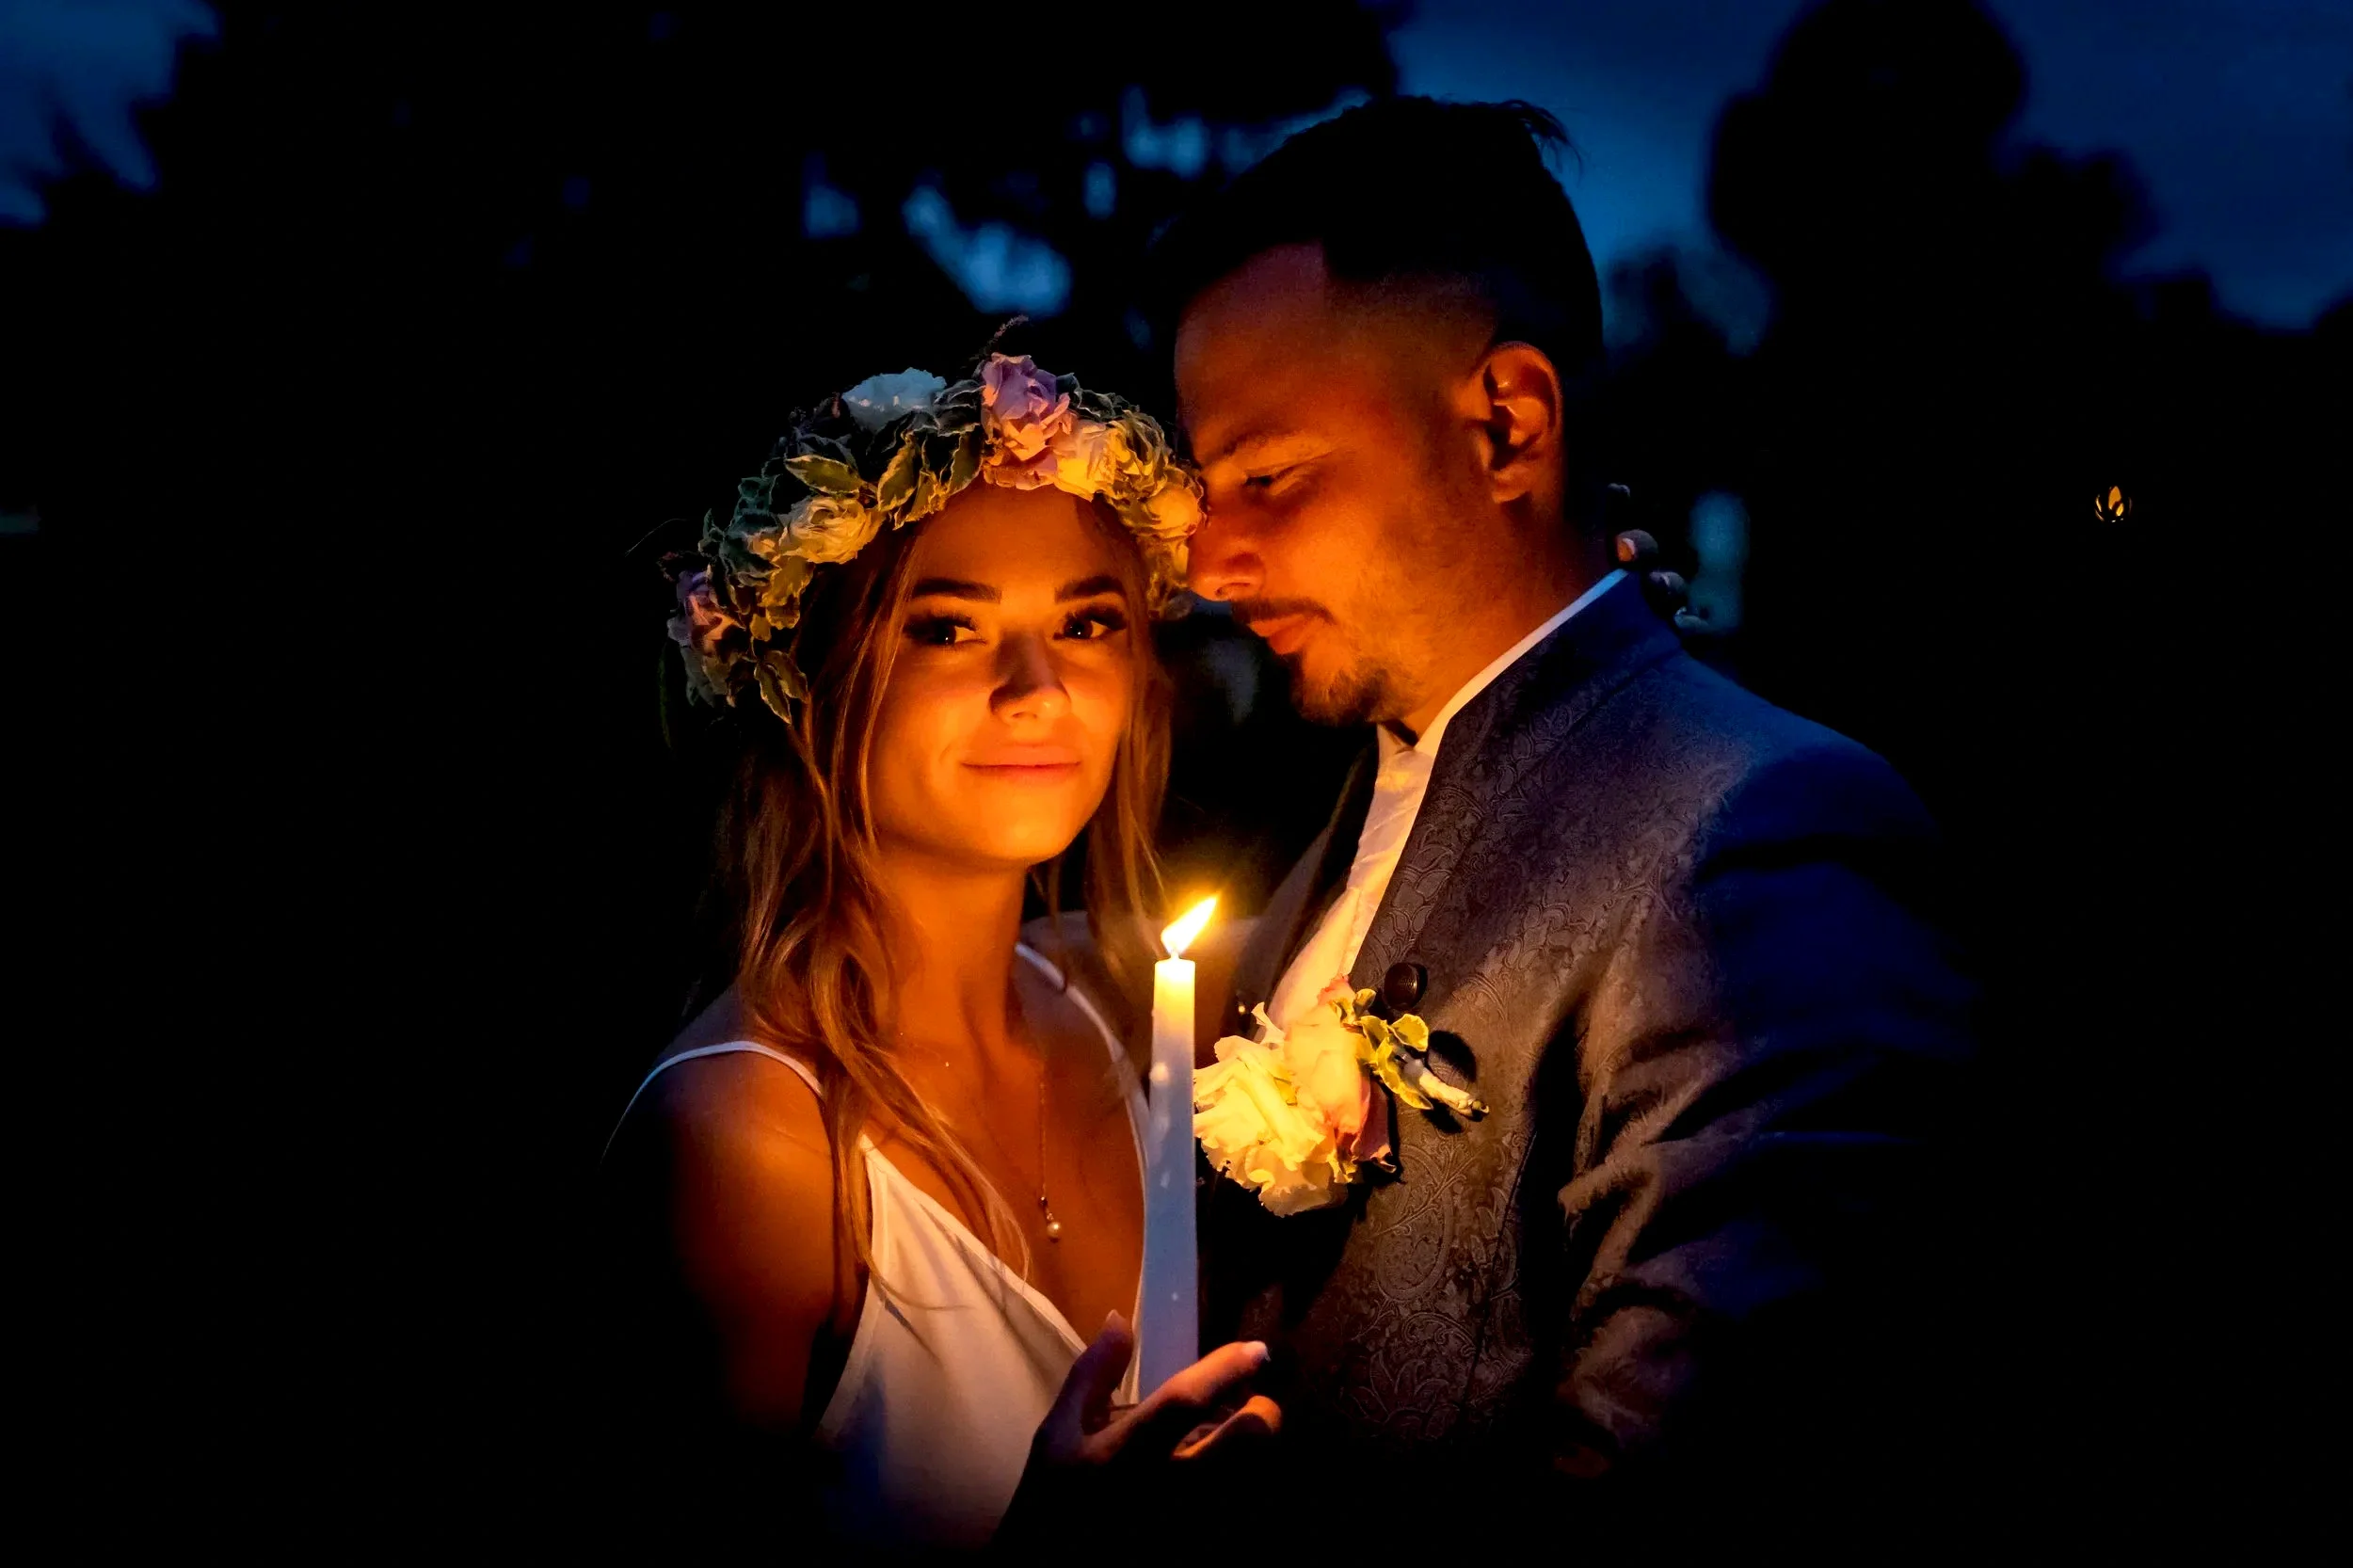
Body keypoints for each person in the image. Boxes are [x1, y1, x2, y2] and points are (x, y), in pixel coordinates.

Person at [1154, 98, 1979, 1544]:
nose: (1213, 562)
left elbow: (1703, 1489)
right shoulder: (1331, 817)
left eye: (1270, 478)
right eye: (1203, 492)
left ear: (1504, 422)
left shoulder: (1752, 838)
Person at [597, 353, 1274, 1554]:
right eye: (949, 627)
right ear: (810, 677)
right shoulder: (745, 1146)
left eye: (1086, 621)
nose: (1037, 687)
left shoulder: (1129, 1000)